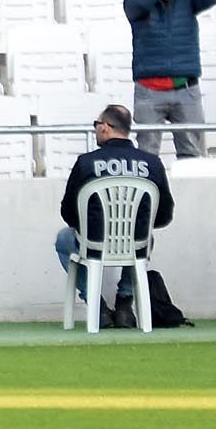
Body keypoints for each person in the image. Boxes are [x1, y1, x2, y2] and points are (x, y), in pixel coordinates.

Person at [53, 104, 174, 295]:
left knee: (63, 239)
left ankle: (94, 301)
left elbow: (68, 212)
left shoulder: (86, 163)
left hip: (93, 243)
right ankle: (125, 298)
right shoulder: (153, 163)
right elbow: (164, 215)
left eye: (96, 124)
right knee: (145, 238)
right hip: (135, 244)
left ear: (104, 127)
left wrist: (90, 228)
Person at [122, 0, 216, 161]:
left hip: (186, 86)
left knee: (192, 155)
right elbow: (141, 4)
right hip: (148, 89)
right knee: (146, 157)